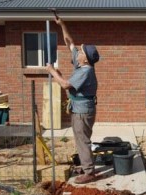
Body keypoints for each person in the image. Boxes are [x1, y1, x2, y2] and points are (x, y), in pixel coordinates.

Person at [46, 15, 99, 184]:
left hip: (83, 111)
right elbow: (69, 42)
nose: (78, 52)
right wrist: (62, 24)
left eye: (81, 52)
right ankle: (86, 166)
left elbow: (65, 85)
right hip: (81, 108)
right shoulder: (81, 64)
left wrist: (52, 71)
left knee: (82, 139)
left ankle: (89, 172)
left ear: (85, 58)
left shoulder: (85, 72)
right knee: (80, 138)